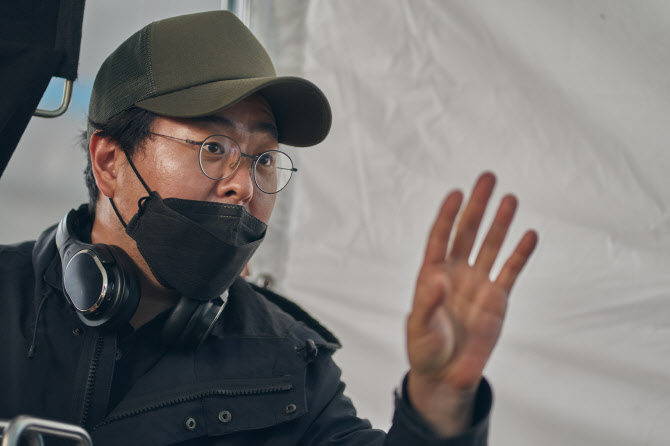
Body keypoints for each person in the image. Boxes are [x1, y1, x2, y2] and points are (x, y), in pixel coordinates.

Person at [0, 10, 538, 446]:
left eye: (263, 158)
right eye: (214, 147)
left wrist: (439, 406)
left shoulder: (291, 366)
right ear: (110, 162)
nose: (244, 185)